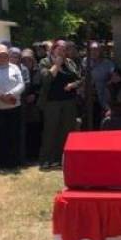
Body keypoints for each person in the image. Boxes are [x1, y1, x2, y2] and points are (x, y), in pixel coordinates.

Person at [38, 40, 81, 170]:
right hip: (52, 102)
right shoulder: (45, 62)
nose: (62, 51)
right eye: (59, 49)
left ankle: (59, 159)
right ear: (53, 49)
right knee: (50, 131)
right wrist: (56, 65)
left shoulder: (70, 62)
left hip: (69, 102)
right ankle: (46, 159)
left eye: (64, 49)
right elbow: (46, 79)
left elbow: (79, 79)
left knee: (66, 130)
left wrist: (73, 85)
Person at [0, 44, 25, 169]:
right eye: (0, 55)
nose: (3, 58)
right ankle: (2, 162)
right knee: (0, 136)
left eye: (5, 55)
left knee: (14, 135)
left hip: (14, 106)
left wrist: (11, 94)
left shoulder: (14, 67)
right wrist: (2, 96)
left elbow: (21, 84)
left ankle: (14, 161)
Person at [83, 42, 116, 129]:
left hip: (102, 93)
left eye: (96, 50)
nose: (93, 52)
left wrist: (110, 82)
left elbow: (115, 75)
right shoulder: (85, 61)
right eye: (91, 50)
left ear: (100, 51)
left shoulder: (107, 63)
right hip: (88, 95)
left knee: (102, 119)